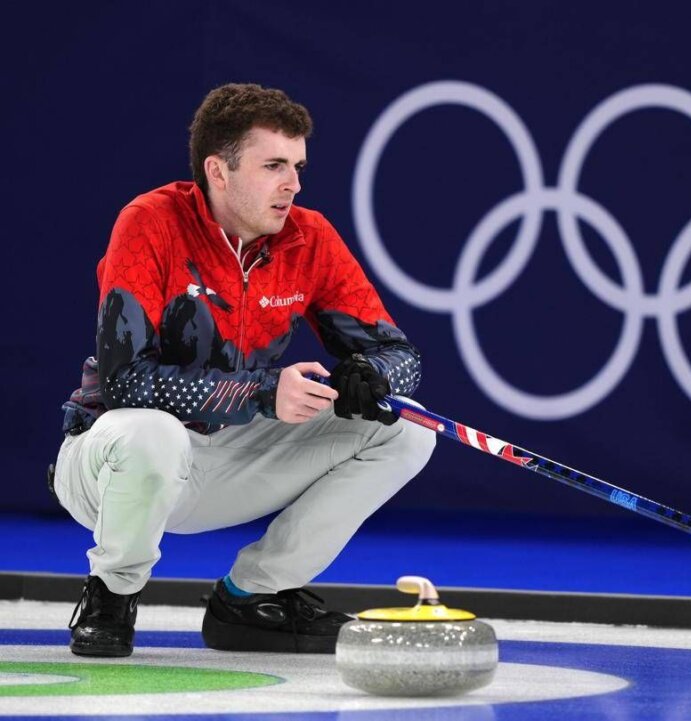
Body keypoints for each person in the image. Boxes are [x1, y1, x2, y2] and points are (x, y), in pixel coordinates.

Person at [52, 83, 436, 657]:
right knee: (151, 433)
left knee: (407, 427)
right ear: (219, 171)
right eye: (274, 166)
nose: (293, 184)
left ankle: (253, 597)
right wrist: (263, 392)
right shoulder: (150, 221)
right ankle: (112, 592)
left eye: (298, 167)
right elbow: (126, 383)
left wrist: (372, 376)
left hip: (227, 458)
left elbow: (402, 355)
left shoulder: (309, 237)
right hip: (113, 465)